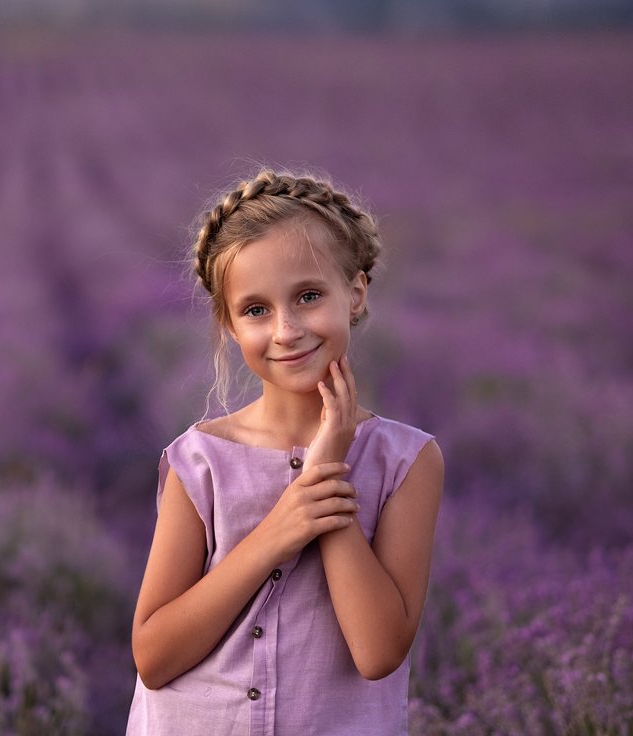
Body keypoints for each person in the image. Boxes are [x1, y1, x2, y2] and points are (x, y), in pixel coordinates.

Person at [126, 169, 443, 735]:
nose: (286, 330)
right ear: (228, 324)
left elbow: (378, 652)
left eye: (309, 296)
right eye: (256, 310)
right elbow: (153, 657)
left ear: (356, 293)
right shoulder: (199, 461)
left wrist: (325, 473)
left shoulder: (406, 461)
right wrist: (276, 533)